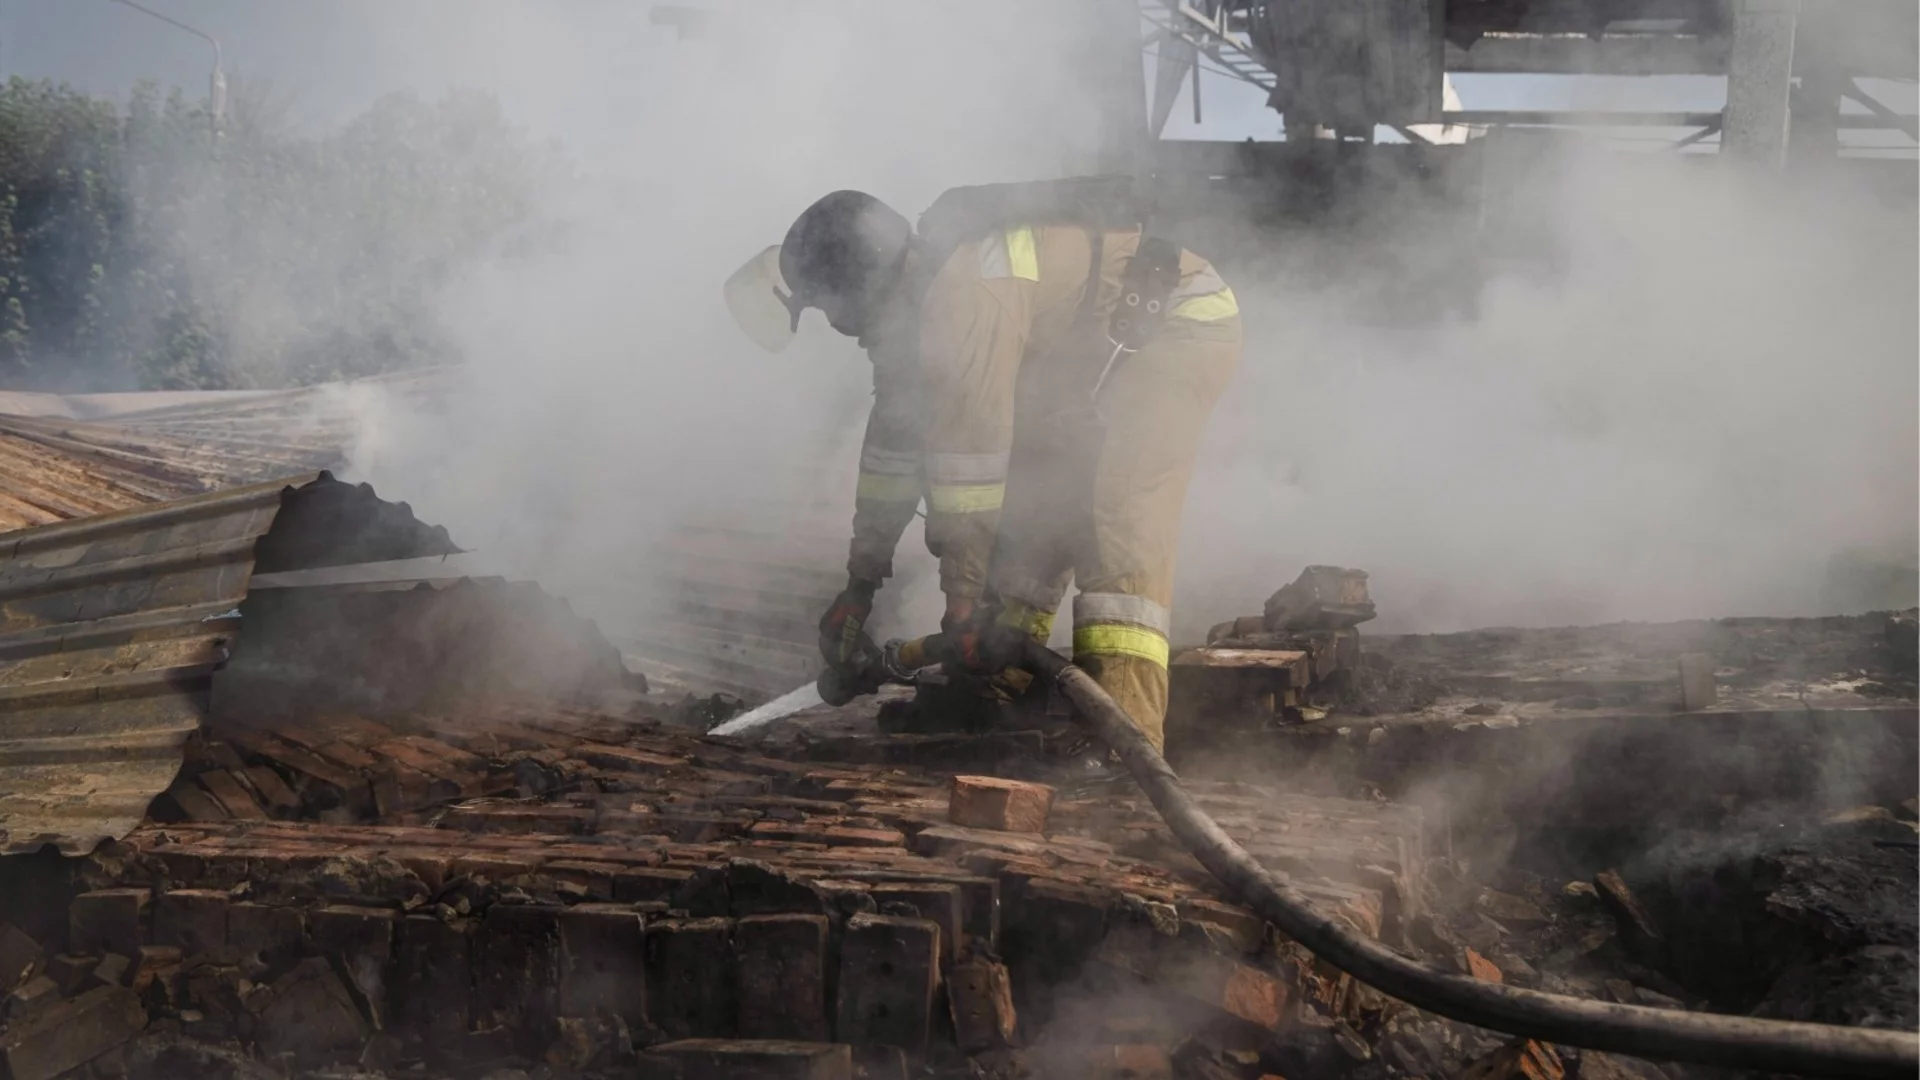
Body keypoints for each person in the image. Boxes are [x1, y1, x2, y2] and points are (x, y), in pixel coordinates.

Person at [723, 179, 1241, 752]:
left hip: (1176, 329)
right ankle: (996, 685)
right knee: (1037, 506)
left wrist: (963, 604)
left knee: (1113, 517)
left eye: (828, 305)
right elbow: (891, 457)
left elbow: (969, 467)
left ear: (863, 285)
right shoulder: (915, 320)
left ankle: (1125, 734)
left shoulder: (963, 293)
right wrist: (859, 582)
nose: (836, 324)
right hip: (1098, 359)